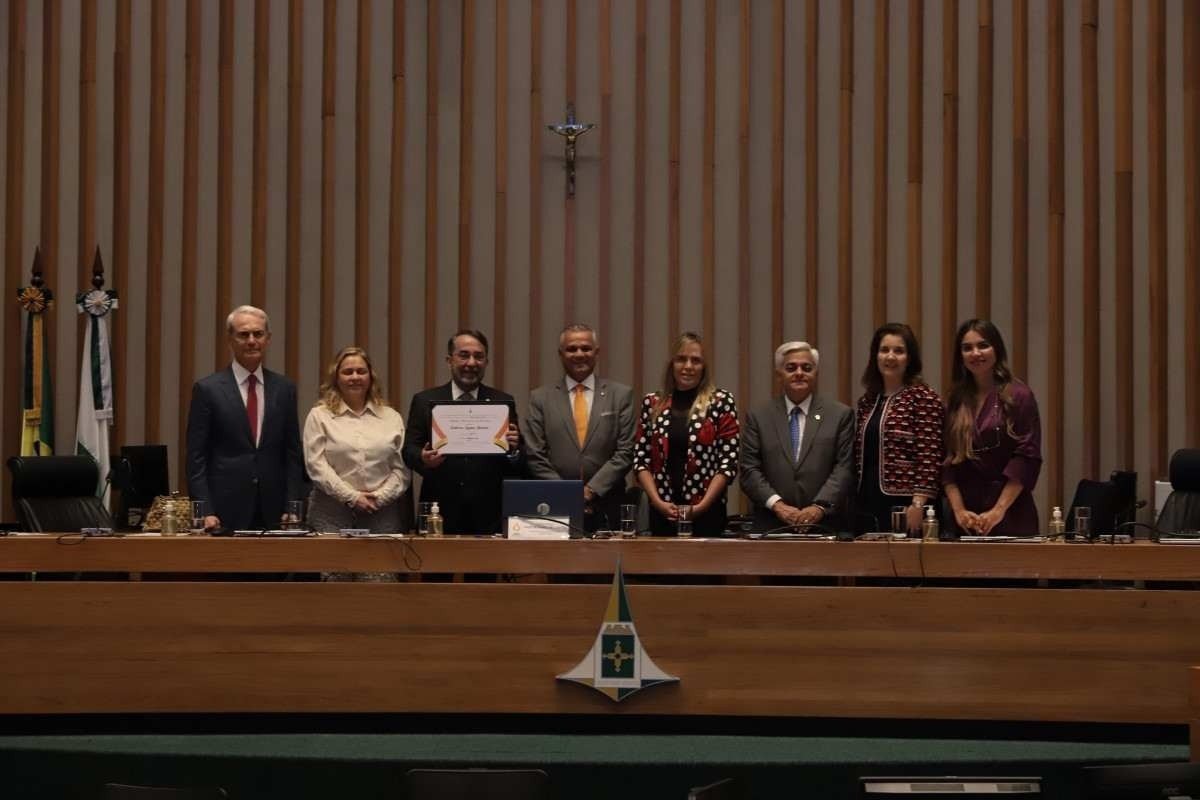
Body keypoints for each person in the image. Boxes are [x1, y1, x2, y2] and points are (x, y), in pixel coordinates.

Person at [186, 305, 306, 531]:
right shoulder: (207, 389)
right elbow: (196, 458)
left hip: (275, 510)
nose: (252, 341)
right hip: (223, 510)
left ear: (268, 339)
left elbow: (292, 454)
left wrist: (292, 506)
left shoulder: (284, 389)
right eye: (243, 335)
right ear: (230, 340)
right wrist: (205, 510)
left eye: (258, 334)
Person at [402, 330, 523, 534]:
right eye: (464, 355)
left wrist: (514, 449)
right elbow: (408, 450)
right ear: (449, 360)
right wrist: (423, 458)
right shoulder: (424, 401)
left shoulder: (502, 402)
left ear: (486, 362)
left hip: (489, 514)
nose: (471, 363)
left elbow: (519, 460)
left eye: (479, 356)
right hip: (439, 511)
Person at [523, 324, 636, 533]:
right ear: (560, 354)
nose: (579, 354)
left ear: (596, 352)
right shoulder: (540, 398)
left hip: (608, 503)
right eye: (571, 349)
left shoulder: (620, 395)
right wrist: (568, 493)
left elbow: (626, 452)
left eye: (585, 348)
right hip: (554, 504)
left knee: (608, 565)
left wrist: (591, 490)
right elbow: (535, 454)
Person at [740, 341, 855, 532]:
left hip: (825, 525)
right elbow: (749, 470)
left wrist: (818, 508)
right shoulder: (759, 417)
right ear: (779, 375)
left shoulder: (840, 415)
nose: (799, 373)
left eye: (806, 368)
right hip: (771, 524)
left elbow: (845, 468)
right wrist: (778, 506)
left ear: (816, 373)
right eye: (791, 368)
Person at [632, 332, 739, 537]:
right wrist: (658, 502)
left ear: (704, 367)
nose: (688, 366)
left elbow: (728, 462)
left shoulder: (721, 402)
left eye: (696, 360)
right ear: (671, 364)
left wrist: (700, 507)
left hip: (707, 513)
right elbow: (640, 461)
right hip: (662, 513)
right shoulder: (652, 403)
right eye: (681, 359)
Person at [942, 319, 1042, 536]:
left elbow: (1026, 458)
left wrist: (998, 511)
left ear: (997, 349)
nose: (975, 353)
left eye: (983, 345)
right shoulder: (955, 400)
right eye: (967, 348)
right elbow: (947, 463)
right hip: (964, 518)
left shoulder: (1018, 396)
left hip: (1010, 511)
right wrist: (958, 510)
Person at [303, 346, 411, 533]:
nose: (355, 377)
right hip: (331, 516)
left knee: (380, 563)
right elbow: (316, 466)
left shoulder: (391, 417)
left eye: (361, 371)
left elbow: (402, 469)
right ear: (336, 378)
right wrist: (352, 497)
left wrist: (378, 498)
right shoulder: (319, 416)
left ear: (371, 377)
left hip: (381, 515)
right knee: (330, 563)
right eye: (347, 372)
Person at [853, 323, 946, 534]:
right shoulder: (867, 401)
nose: (890, 357)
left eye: (899, 351)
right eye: (884, 350)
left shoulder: (923, 397)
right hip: (867, 501)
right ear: (875, 356)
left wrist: (918, 504)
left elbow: (930, 454)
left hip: (906, 505)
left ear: (910, 358)